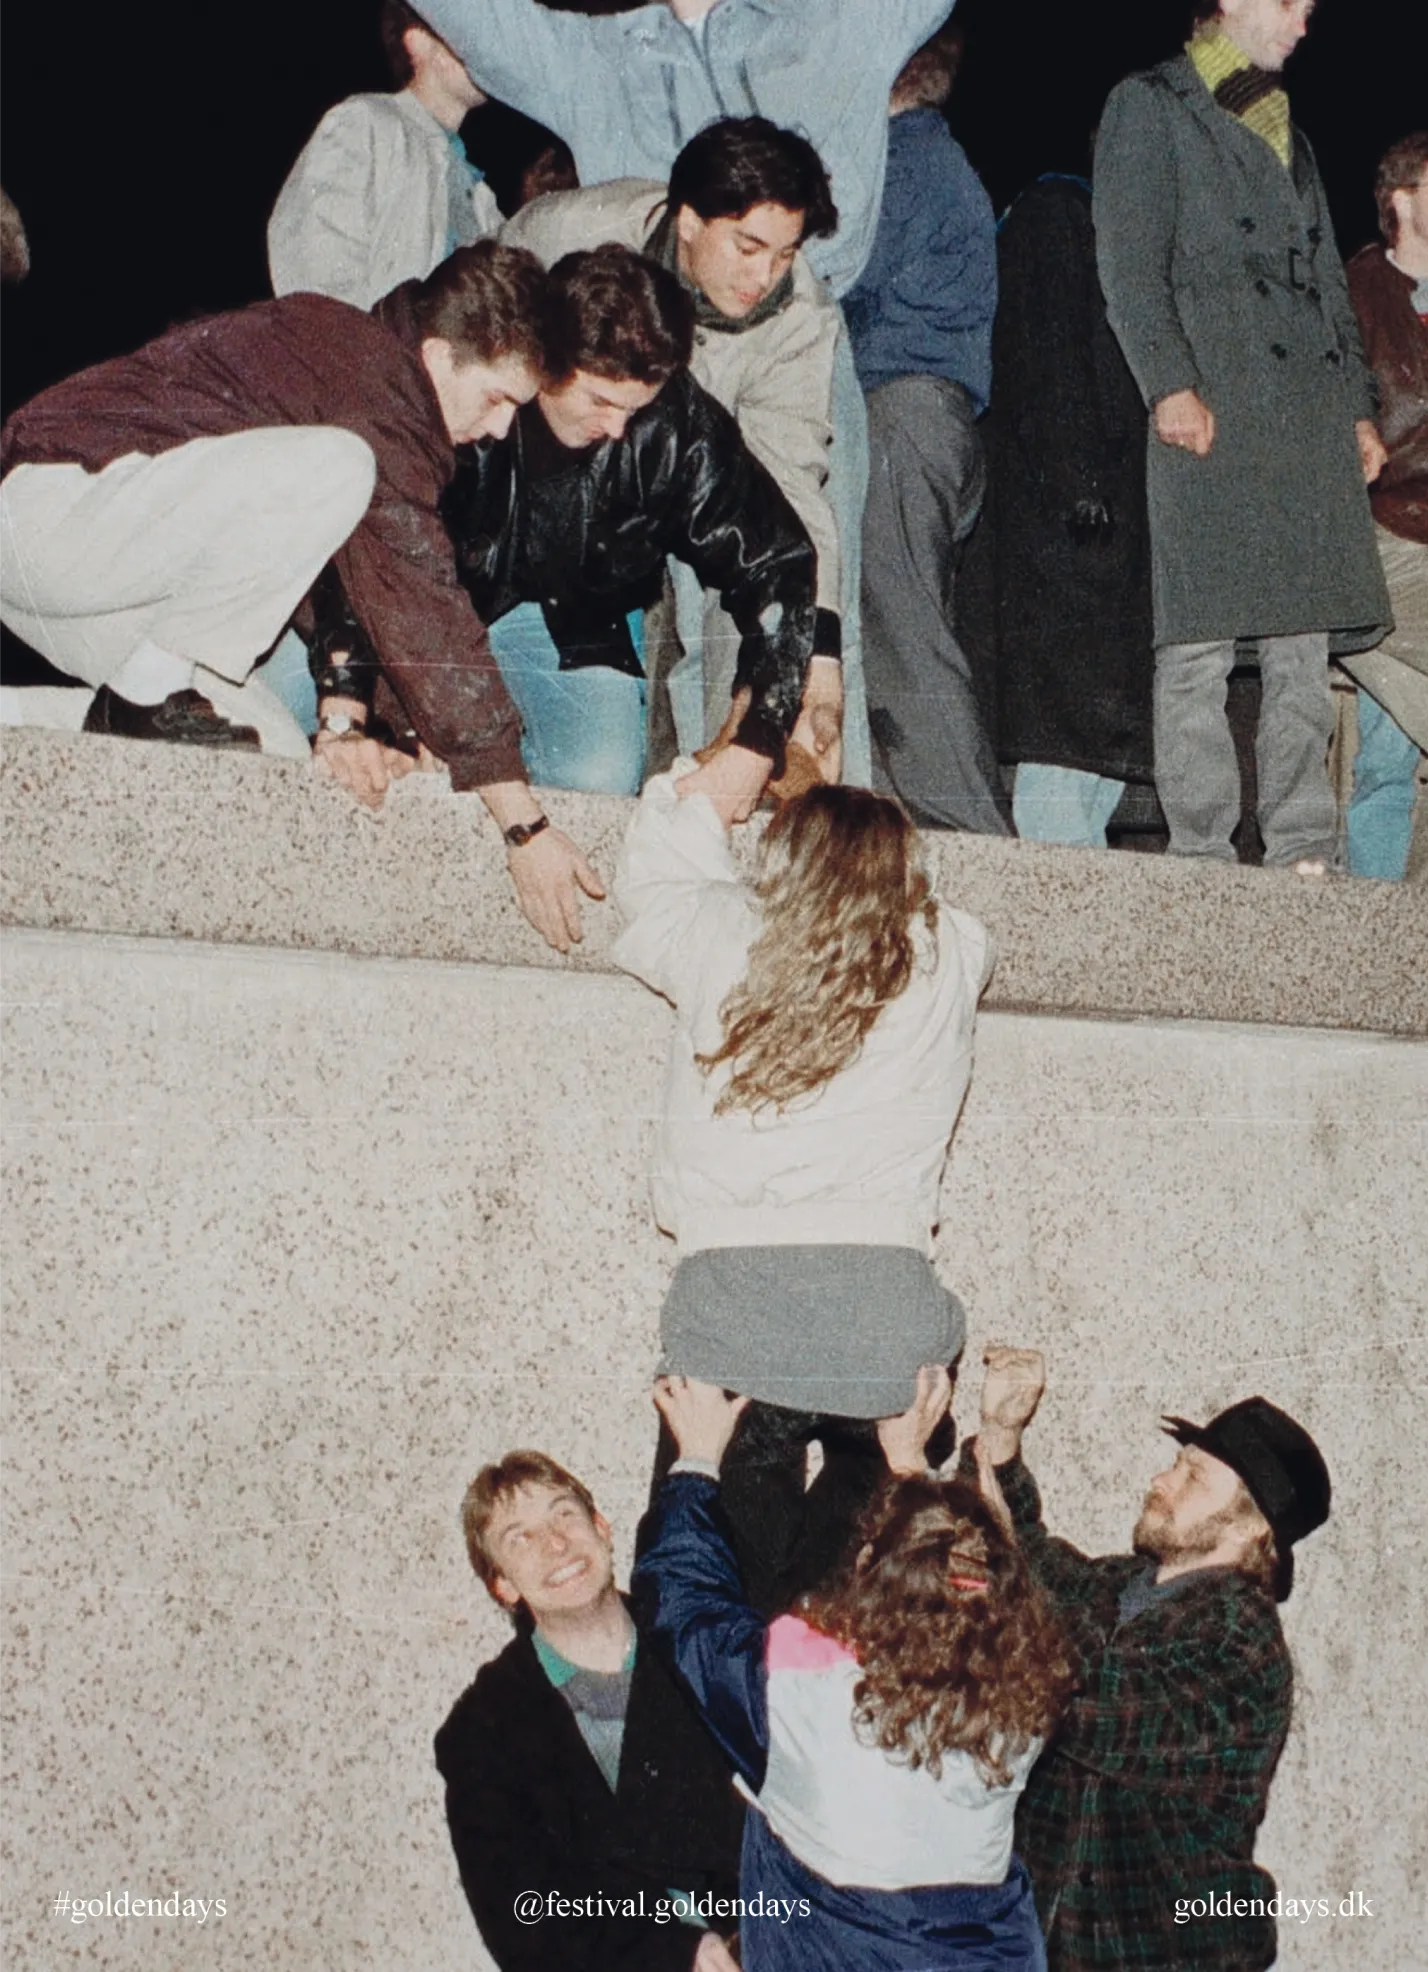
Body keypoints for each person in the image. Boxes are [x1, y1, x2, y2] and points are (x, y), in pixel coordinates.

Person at [0, 241, 616, 953]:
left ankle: (33, 714)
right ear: (442, 356)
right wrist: (521, 820)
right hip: (50, 511)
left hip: (107, 584)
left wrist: (393, 736)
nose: (501, 428)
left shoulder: (363, 386)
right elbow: (418, 602)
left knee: (275, 750)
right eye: (498, 397)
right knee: (336, 465)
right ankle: (142, 699)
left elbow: (354, 588)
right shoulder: (361, 367)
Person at [613, 764, 993, 1612]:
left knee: (719, 1594)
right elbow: (942, 922)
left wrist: (730, 787)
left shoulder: (721, 929)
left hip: (734, 1311)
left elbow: (652, 870)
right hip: (887, 1321)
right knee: (884, 1614)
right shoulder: (952, 953)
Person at [315, 243, 834, 811]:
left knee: (598, 777)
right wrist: (369, 710)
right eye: (601, 401)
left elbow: (779, 564)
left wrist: (757, 743)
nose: (618, 428)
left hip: (579, 622)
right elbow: (367, 545)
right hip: (424, 601)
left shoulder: (674, 420)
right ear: (546, 364)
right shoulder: (474, 390)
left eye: (635, 409)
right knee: (308, 719)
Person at [630, 1371, 1070, 1970]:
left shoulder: (805, 1700)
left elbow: (686, 1607)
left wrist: (698, 1458)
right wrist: (910, 1463)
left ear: (867, 1573)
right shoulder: (1025, 1705)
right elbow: (965, 1587)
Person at [1093, 0, 1390, 873]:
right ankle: (1200, 855)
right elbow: (1128, 263)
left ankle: (1304, 846)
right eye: (1292, 2)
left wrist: (1357, 407)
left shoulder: (1287, 129)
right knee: (1198, 640)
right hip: (1213, 404)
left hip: (1302, 412)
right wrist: (1169, 385)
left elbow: (1326, 285)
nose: (1305, 21)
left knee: (1301, 644)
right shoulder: (1149, 105)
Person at [969, 1345, 1332, 1970]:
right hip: (1051, 1948)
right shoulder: (1125, 1584)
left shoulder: (1238, 1644)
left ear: (1251, 1530)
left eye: (1194, 1476)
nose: (1162, 1481)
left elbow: (1081, 1703)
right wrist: (1001, 1436)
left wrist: (1002, 1569)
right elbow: (1034, 1557)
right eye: (1174, 1464)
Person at [501, 119, 845, 768]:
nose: (766, 274)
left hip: (608, 561)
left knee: (604, 765)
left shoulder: (799, 317)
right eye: (748, 246)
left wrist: (819, 650)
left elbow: (792, 483)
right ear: (688, 221)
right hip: (502, 513)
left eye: (786, 252)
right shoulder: (570, 230)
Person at [435, 1449, 744, 1972]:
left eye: (563, 1514)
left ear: (602, 1528)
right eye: (520, 1538)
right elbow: (523, 1920)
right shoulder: (482, 1732)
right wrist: (678, 1952)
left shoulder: (700, 1633)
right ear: (502, 1585)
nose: (555, 1544)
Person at [957, 165, 1155, 849]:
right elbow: (1050, 355)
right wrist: (1081, 481)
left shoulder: (1079, 223)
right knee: (1063, 752)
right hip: (1068, 533)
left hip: (1080, 527)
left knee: (1081, 756)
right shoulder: (1061, 212)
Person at [842, 27, 1007, 835]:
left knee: (904, 631)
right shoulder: (946, 164)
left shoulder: (900, 163)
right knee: (900, 623)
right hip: (933, 419)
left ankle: (973, 834)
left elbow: (851, 284)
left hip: (901, 412)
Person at [268, 0, 499, 311]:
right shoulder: (366, 122)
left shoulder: (481, 195)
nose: (485, 50)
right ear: (418, 42)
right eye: (467, 33)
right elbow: (313, 261)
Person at [1337, 133, 1428, 880]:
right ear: (1401, 198)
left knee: (1391, 742)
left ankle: (1382, 913)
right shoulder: (1357, 293)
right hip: (1385, 530)